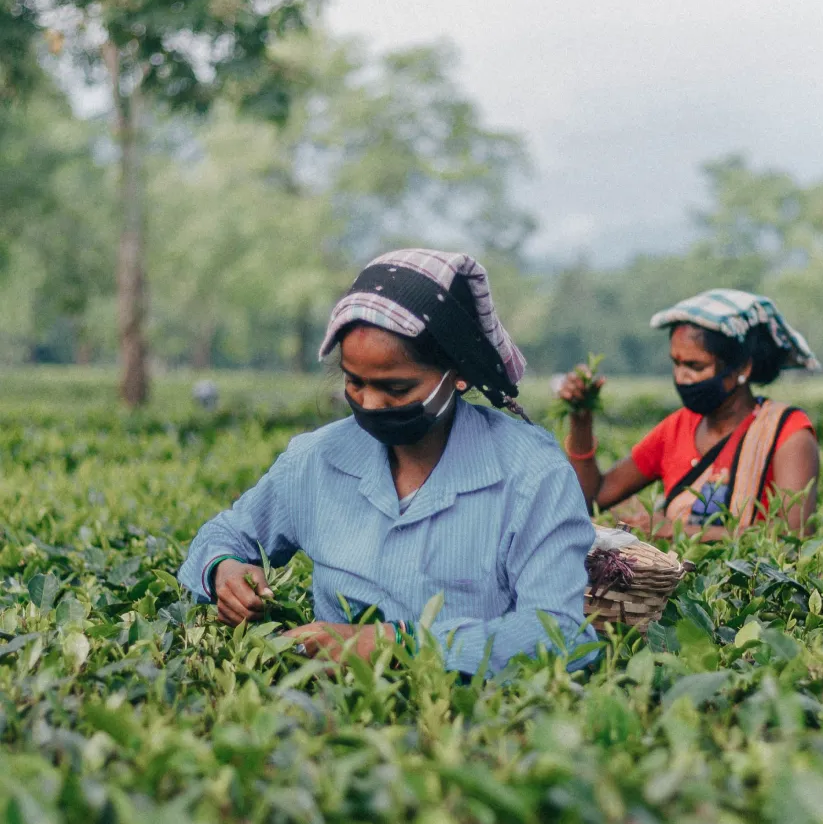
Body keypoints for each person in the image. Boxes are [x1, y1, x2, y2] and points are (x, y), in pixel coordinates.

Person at [178, 249, 597, 676]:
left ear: (458, 373)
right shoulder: (316, 460)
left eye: (396, 387)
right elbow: (223, 536)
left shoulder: (531, 474)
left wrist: (395, 644)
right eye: (354, 381)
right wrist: (223, 571)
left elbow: (563, 634)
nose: (371, 403)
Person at [558, 289, 821, 539]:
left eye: (695, 366)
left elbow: (794, 537)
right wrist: (581, 420)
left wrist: (679, 531)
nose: (681, 377)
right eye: (676, 363)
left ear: (742, 368)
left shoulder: (788, 432)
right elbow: (594, 496)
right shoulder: (678, 427)